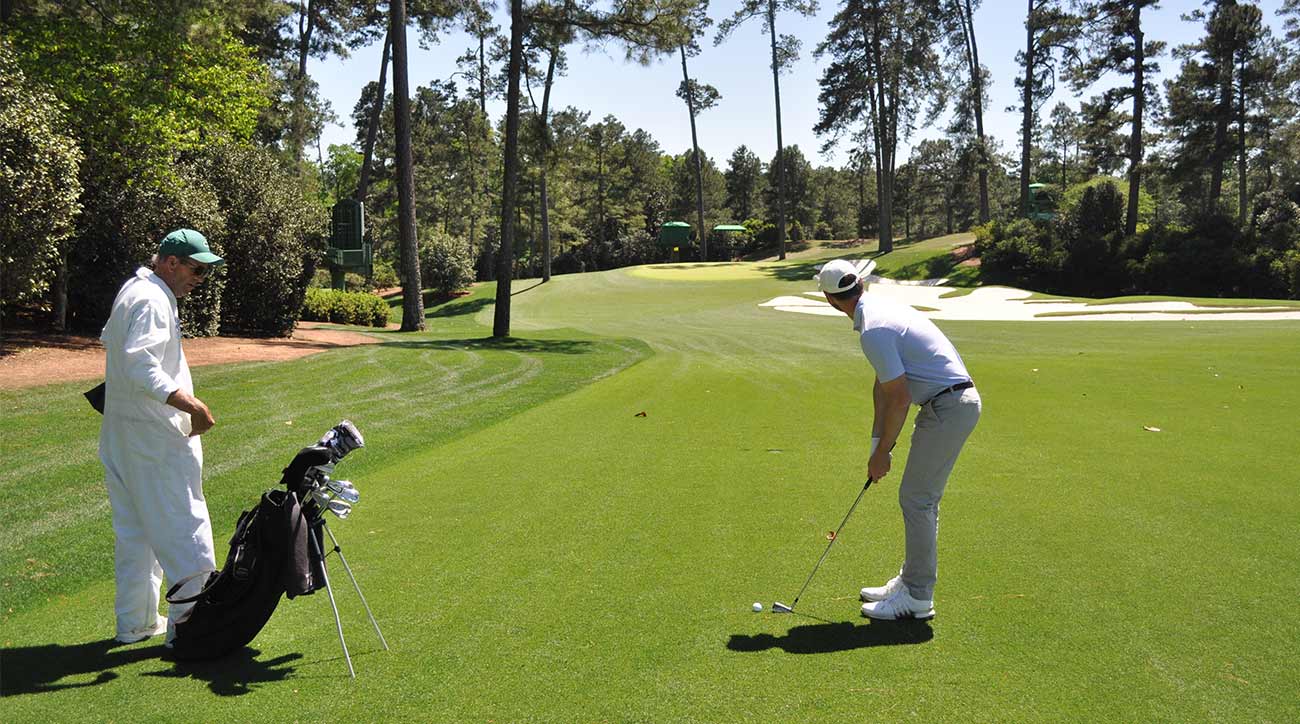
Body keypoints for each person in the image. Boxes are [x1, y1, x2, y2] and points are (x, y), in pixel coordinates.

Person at [816, 259, 981, 620]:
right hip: (947, 403)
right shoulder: (876, 310)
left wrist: (885, 452)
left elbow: (900, 397)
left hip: (949, 405)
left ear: (830, 299)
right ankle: (909, 582)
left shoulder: (873, 329)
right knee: (918, 499)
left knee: (918, 499)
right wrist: (877, 446)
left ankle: (919, 597)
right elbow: (883, 387)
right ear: (859, 284)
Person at [99, 228, 223, 644]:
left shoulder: (134, 290)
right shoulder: (152, 299)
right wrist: (191, 405)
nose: (200, 278)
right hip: (154, 437)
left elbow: (113, 346)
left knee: (136, 536)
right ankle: (194, 630)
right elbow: (140, 364)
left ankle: (134, 624)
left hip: (123, 435)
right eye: (197, 269)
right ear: (171, 263)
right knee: (184, 526)